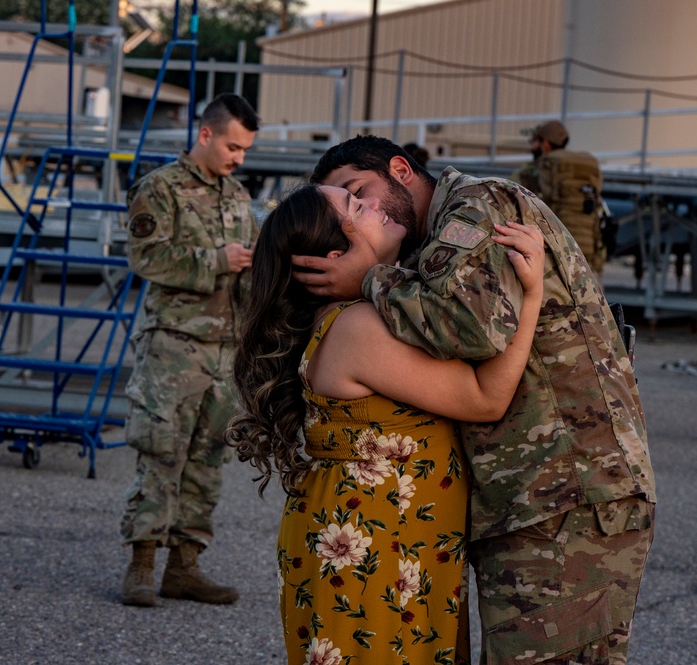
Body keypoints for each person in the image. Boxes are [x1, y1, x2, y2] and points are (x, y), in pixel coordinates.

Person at [294, 135, 656, 665]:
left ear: (400, 169)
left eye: (359, 190)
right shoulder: (433, 237)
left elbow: (468, 327)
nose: (364, 211)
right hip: (536, 491)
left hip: (567, 489)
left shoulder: (477, 206)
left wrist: (368, 277)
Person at [227, 184, 545, 665]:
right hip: (376, 547)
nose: (376, 204)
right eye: (357, 205)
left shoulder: (364, 313)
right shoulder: (357, 326)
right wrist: (534, 292)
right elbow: (484, 398)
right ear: (337, 253)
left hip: (395, 540)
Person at [119, 93, 260, 607]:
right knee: (161, 455)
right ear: (205, 134)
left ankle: (185, 566)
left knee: (207, 461)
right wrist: (215, 259)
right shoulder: (159, 189)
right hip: (174, 347)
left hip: (225, 349)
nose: (238, 157)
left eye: (245, 149)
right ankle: (140, 566)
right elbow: (145, 257)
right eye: (232, 145)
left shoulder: (239, 197)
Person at [511, 119, 607, 275]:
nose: (532, 147)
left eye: (535, 142)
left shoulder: (534, 172)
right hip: (586, 254)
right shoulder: (581, 173)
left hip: (553, 253)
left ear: (546, 144)